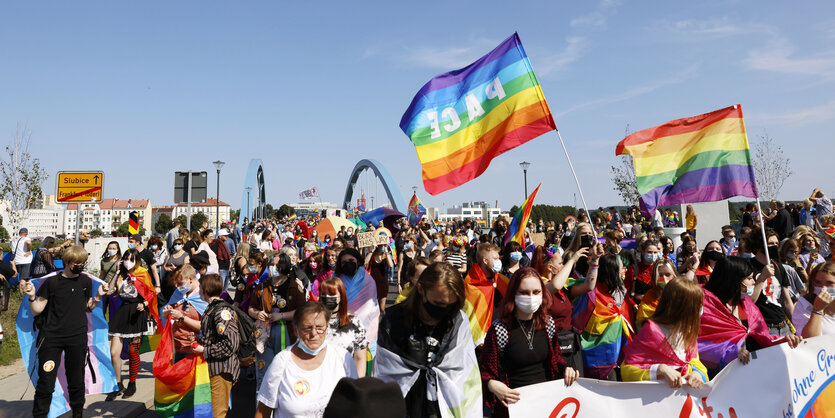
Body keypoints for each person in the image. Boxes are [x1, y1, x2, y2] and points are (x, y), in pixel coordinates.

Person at [375, 262, 482, 418]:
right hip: (406, 408)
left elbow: (466, 372)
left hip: (444, 409)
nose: (444, 309)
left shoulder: (458, 321)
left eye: (449, 305)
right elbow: (386, 372)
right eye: (438, 303)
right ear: (421, 289)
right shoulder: (393, 321)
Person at [20, 245, 109, 418]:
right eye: (78, 262)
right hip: (51, 339)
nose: (81, 265)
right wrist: (31, 296)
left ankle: (77, 414)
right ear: (68, 262)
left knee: (76, 381)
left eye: (83, 262)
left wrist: (97, 297)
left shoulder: (85, 281)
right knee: (46, 383)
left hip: (77, 338)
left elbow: (87, 308)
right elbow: (38, 309)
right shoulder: (52, 282)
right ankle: (40, 415)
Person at [479, 267, 579, 417]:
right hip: (514, 407)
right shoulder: (499, 330)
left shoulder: (548, 323)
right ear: (513, 294)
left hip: (546, 403)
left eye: (536, 292)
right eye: (524, 292)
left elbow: (556, 357)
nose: (531, 297)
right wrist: (492, 385)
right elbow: (485, 371)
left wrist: (566, 368)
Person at [699, 257, 802, 375]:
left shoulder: (746, 303)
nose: (753, 282)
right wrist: (730, 352)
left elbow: (762, 335)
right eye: (749, 278)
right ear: (733, 280)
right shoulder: (700, 304)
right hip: (714, 375)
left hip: (743, 372)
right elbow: (693, 344)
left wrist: (782, 340)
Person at [255, 301, 359, 417]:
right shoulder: (281, 362)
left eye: (320, 327)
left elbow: (355, 406)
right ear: (296, 329)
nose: (314, 333)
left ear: (327, 326)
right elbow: (262, 412)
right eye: (307, 328)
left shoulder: (343, 359)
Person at [622, 278, 708, 388]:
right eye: (696, 305)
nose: (700, 310)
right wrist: (659, 369)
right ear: (679, 306)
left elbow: (695, 362)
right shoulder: (652, 330)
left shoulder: (688, 331)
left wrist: (697, 374)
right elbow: (627, 371)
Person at [105, 249, 160, 401]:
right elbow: (109, 291)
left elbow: (151, 293)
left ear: (137, 261)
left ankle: (132, 382)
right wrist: (116, 272)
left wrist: (144, 303)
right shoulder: (121, 275)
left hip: (137, 312)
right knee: (114, 352)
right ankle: (118, 384)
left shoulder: (142, 273)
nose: (129, 261)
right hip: (122, 312)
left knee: (132, 350)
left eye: (132, 259)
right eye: (126, 258)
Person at [248, 253, 307, 390]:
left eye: (275, 265)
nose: (272, 267)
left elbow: (302, 311)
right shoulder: (262, 286)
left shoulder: (294, 287)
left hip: (288, 334)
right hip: (264, 336)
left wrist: (281, 316)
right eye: (271, 264)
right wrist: (257, 314)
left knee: (284, 375)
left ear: (284, 266)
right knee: (264, 375)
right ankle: (262, 406)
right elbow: (251, 308)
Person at [573, 253, 634, 380]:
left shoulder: (622, 291)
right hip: (596, 357)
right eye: (622, 267)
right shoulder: (590, 294)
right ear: (613, 271)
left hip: (618, 355)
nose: (625, 270)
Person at [196, 273, 240, 418]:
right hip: (213, 367)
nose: (199, 291)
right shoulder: (212, 309)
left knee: (217, 413)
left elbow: (230, 344)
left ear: (206, 290)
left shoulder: (221, 312)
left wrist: (204, 350)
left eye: (200, 288)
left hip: (221, 369)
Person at [743, 227, 795, 336]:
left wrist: (797, 324)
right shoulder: (747, 267)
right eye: (771, 244)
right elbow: (748, 301)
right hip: (761, 328)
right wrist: (762, 278)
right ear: (759, 246)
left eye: (777, 243)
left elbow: (786, 301)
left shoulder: (779, 268)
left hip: (783, 326)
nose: (775, 246)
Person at [335, 248, 380, 362]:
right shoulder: (337, 279)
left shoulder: (368, 281)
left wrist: (354, 322)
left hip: (366, 325)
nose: (347, 264)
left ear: (358, 261)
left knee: (362, 361)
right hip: (342, 324)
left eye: (351, 260)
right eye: (344, 262)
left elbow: (370, 307)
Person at [319, 277, 368, 375]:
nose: (327, 297)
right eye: (323, 294)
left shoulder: (354, 323)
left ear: (341, 296)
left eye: (332, 294)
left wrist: (357, 385)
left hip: (345, 380)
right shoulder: (312, 321)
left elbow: (360, 359)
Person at [465, 243, 509, 327]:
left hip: (499, 329)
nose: (498, 261)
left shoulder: (502, 280)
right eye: (495, 259)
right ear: (485, 261)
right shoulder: (470, 284)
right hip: (479, 331)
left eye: (499, 258)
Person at [792, 262, 835, 338]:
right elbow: (809, 340)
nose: (823, 288)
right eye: (818, 282)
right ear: (812, 283)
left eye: (829, 283)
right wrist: (817, 310)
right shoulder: (803, 304)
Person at [635, 258, 678, 329]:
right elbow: (641, 321)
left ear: (674, 275)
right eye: (660, 275)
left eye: (668, 275)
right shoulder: (650, 296)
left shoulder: (682, 293)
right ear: (655, 277)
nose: (664, 279)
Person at [365, 244, 393, 312]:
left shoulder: (385, 256)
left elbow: (391, 265)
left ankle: (381, 320)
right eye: (381, 246)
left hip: (383, 283)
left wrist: (386, 252)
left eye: (384, 246)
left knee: (382, 307)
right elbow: (365, 263)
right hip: (373, 283)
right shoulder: (372, 255)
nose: (383, 247)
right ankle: (375, 321)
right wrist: (372, 251)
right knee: (373, 306)